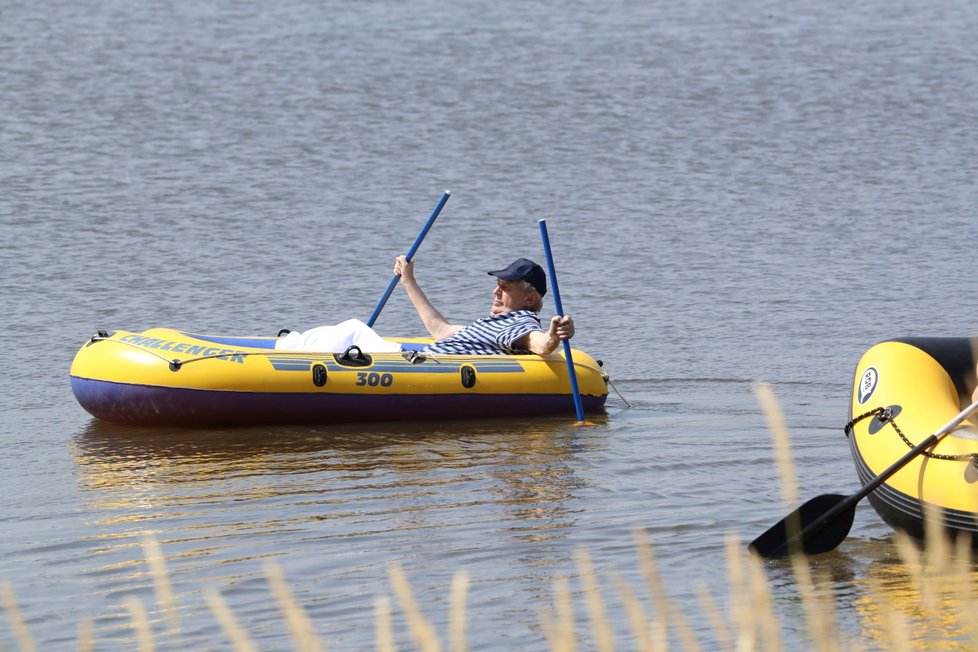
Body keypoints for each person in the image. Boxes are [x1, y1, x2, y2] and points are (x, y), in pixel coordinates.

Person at [395, 255, 574, 355]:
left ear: (530, 299)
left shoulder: (520, 322)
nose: (496, 292)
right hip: (422, 359)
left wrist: (555, 334)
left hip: (428, 368)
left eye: (506, 288)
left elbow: (539, 344)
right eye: (497, 284)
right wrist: (408, 281)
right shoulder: (494, 324)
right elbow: (440, 330)